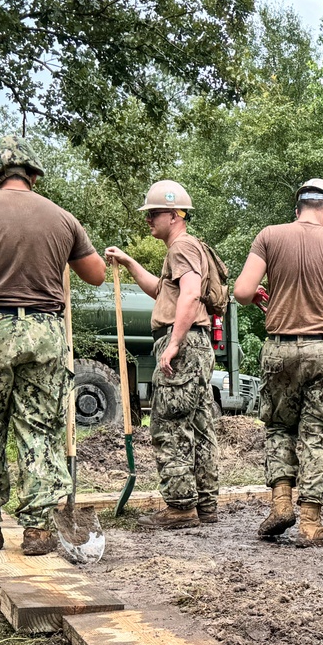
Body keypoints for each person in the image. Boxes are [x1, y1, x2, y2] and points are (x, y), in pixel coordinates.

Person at [0, 135, 106, 556]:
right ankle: (39, 531)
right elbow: (97, 275)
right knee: (40, 429)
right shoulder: (63, 219)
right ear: (32, 173)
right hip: (47, 332)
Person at [234, 179, 323, 547]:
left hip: (279, 350)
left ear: (299, 208)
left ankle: (281, 505)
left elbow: (241, 292)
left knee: (278, 427)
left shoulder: (269, 236)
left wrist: (259, 292)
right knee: (317, 433)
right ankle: (310, 523)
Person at [105, 180, 221, 529]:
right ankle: (204, 504)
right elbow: (162, 291)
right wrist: (128, 262)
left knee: (168, 423)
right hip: (197, 345)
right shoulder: (188, 248)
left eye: (154, 213)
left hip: (182, 343)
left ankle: (180, 507)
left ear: (174, 215)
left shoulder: (181, 248)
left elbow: (187, 296)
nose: (148, 219)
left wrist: (172, 344)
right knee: (200, 425)